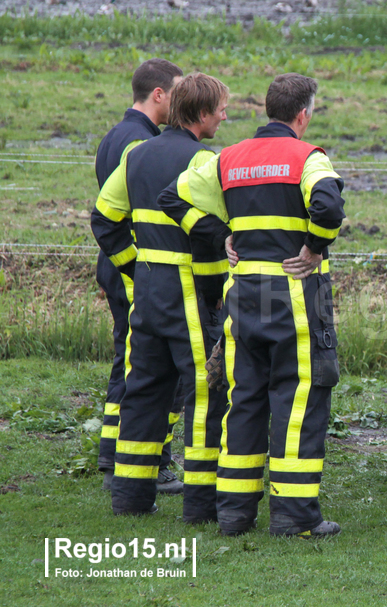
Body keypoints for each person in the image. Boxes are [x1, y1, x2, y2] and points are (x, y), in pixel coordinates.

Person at [158, 73, 346, 538]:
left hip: (242, 297)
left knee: (243, 399)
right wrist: (315, 248)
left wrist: (221, 236)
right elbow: (328, 207)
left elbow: (172, 197)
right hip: (295, 297)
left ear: (267, 110)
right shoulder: (309, 157)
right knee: (299, 397)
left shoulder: (229, 157)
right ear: (303, 114)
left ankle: (235, 515)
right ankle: (295, 516)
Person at [92, 73, 231, 522]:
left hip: (147, 293)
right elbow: (210, 245)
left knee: (144, 390)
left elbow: (104, 218)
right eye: (221, 109)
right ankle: (200, 505)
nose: (225, 116)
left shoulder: (135, 154)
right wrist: (214, 299)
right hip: (189, 295)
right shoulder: (205, 162)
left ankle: (130, 498)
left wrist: (135, 268)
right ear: (203, 114)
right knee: (205, 394)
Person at [93, 58, 185, 494]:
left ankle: (113, 453)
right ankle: (151, 459)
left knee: (125, 362)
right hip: (140, 271)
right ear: (159, 95)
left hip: (121, 266)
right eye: (178, 92)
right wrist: (136, 268)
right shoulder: (140, 142)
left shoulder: (116, 135)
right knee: (148, 370)